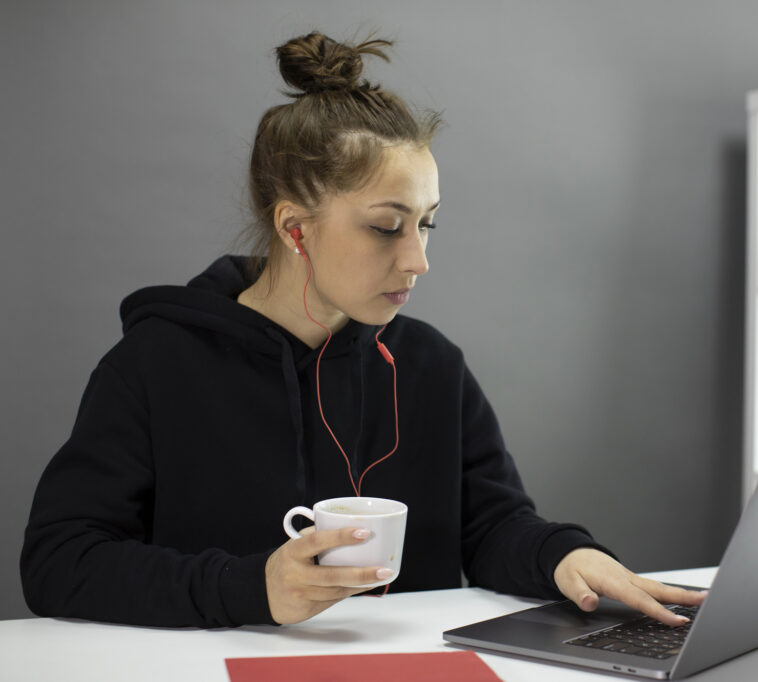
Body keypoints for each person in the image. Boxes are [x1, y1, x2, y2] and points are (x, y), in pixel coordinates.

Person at [20, 31, 704, 629]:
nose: (418, 259)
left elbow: (492, 527)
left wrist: (564, 555)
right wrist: (253, 588)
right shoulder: (154, 364)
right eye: (386, 226)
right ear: (295, 228)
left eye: (427, 222)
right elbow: (59, 563)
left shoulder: (431, 365)